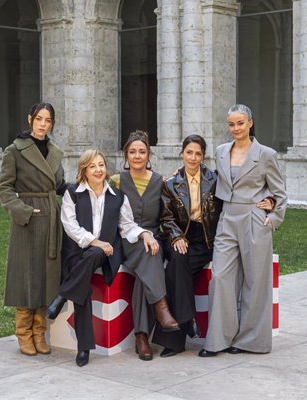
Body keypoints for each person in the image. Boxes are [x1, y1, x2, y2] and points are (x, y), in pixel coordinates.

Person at [45, 149, 179, 367]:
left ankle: (62, 295)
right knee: (83, 287)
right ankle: (84, 347)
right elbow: (70, 225)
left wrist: (144, 233)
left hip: (106, 254)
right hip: (79, 251)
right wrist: (93, 241)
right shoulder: (73, 192)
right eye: (92, 166)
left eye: (101, 165)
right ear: (84, 171)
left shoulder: (117, 197)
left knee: (97, 254)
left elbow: (127, 226)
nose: (98, 170)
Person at [199, 104, 287, 357]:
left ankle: (251, 341)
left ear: (250, 122)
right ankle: (217, 340)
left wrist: (272, 217)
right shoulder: (221, 151)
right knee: (220, 278)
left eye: (240, 123)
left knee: (255, 281)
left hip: (254, 218)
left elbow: (279, 192)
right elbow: (214, 179)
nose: (235, 128)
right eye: (231, 124)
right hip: (227, 217)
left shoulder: (266, 154)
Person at [0, 102, 65, 356]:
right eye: (39, 119)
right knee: (26, 274)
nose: (43, 124)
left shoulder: (55, 151)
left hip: (50, 218)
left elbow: (59, 185)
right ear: (30, 119)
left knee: (46, 275)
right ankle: (23, 333)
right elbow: (4, 187)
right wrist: (23, 211)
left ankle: (40, 332)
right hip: (28, 219)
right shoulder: (14, 150)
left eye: (48, 120)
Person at [151, 134, 222, 357]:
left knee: (174, 270)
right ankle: (188, 318)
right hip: (181, 235)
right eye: (189, 152)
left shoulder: (215, 179)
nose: (193, 158)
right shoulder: (171, 184)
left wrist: (269, 202)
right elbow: (166, 216)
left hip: (206, 237)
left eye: (198, 153)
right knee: (177, 259)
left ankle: (175, 340)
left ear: (203, 156)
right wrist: (175, 236)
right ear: (182, 153)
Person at [109, 130, 168, 361]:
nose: (137, 156)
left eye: (142, 151)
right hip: (127, 239)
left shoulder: (160, 181)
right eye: (132, 152)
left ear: (148, 154)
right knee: (149, 256)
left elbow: (169, 214)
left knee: (149, 256)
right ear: (126, 155)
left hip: (153, 238)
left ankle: (141, 336)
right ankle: (161, 308)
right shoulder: (116, 181)